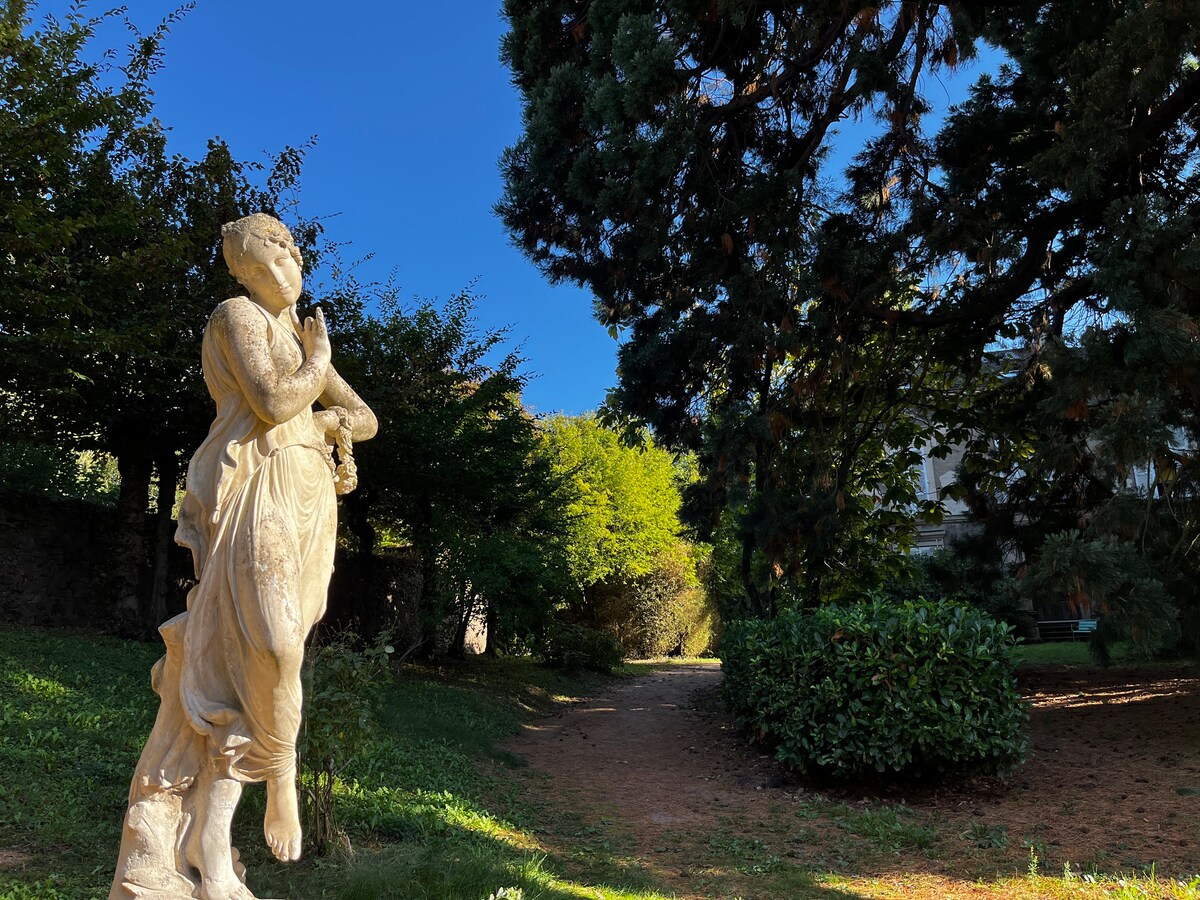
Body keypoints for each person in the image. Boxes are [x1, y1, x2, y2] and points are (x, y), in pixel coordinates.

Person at [111, 213, 376, 900]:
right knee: (273, 644)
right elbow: (270, 398)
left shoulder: (295, 334)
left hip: (309, 497)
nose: (293, 256)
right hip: (254, 490)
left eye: (294, 245)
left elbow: (366, 419)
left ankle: (212, 835)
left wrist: (324, 417)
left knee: (250, 668)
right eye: (278, 245)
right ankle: (281, 777)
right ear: (245, 260)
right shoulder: (239, 315)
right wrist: (317, 369)